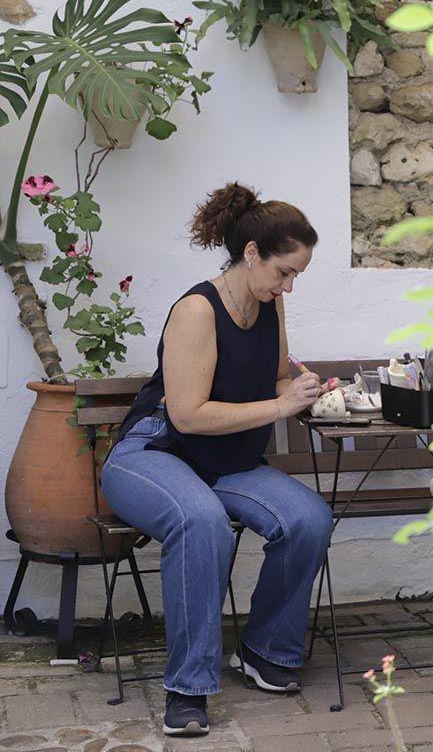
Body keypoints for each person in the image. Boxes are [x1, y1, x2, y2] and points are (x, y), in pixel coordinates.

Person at [101, 183, 335, 737]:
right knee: (201, 521)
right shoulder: (196, 310)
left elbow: (279, 375)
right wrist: (280, 405)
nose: (290, 286)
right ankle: (188, 687)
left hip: (225, 461)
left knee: (307, 520)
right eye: (285, 272)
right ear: (252, 254)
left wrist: (304, 388)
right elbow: (186, 415)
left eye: (297, 275)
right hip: (154, 452)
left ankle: (263, 650)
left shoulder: (270, 306)